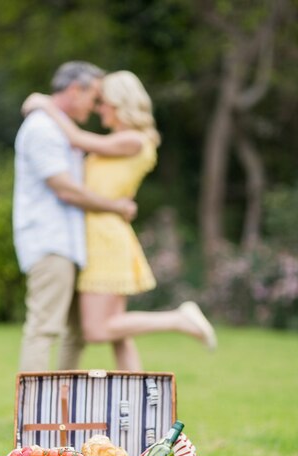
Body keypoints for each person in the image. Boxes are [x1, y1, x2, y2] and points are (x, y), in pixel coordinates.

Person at [23, 70, 217, 370]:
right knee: (119, 334)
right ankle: (141, 411)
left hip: (104, 237)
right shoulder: (122, 141)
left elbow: (76, 138)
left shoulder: (134, 141)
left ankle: (178, 319)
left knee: (98, 329)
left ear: (118, 104)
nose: (99, 108)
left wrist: (45, 105)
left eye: (103, 102)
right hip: (100, 233)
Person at [13, 61, 137, 372]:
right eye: (94, 97)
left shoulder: (58, 128)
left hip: (70, 246)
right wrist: (116, 207)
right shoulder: (41, 128)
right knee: (44, 330)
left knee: (76, 334)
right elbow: (65, 189)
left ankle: (63, 415)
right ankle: (35, 418)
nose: (97, 106)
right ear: (74, 90)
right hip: (49, 243)